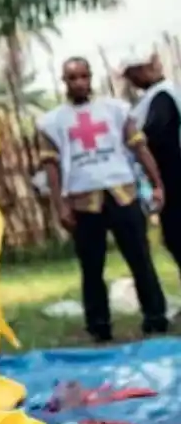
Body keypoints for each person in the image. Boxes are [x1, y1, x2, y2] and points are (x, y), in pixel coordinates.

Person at [38, 57, 168, 342]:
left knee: (141, 259)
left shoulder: (116, 110)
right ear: (64, 81)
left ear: (91, 77)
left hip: (122, 193)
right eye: (72, 77)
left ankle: (156, 317)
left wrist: (157, 184)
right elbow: (51, 167)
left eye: (84, 76)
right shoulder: (51, 122)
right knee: (92, 267)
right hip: (83, 200)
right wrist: (60, 205)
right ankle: (99, 326)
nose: (79, 82)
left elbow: (139, 148)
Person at [122, 53, 181, 277]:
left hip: (173, 177)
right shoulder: (154, 97)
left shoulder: (162, 96)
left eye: (133, 73)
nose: (131, 80)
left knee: (177, 236)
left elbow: (157, 135)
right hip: (169, 177)